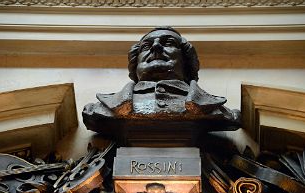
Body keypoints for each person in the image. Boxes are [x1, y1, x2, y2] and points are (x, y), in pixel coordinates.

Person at [82, 27, 240, 137]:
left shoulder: (218, 111)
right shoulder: (101, 109)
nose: (156, 47)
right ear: (135, 63)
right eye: (146, 46)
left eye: (169, 43)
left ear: (186, 61)